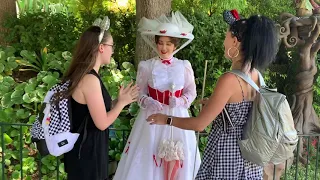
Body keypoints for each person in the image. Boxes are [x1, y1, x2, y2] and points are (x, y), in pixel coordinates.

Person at [147, 9, 279, 180]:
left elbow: (199, 124)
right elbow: (244, 111)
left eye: (226, 36)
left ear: (235, 41)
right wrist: (217, 106)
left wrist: (165, 119)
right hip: (250, 160)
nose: (224, 42)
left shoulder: (229, 79)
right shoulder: (257, 76)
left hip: (227, 157)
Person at [113, 11, 201, 180]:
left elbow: (191, 91)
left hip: (177, 117)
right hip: (152, 118)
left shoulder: (184, 66)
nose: (164, 48)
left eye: (168, 43)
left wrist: (181, 100)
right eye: (160, 43)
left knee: (178, 157)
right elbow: (139, 93)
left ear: (175, 45)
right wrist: (148, 101)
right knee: (150, 156)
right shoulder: (146, 66)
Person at [62, 16, 139, 180]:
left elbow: (90, 112)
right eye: (112, 46)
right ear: (102, 47)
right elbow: (102, 123)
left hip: (85, 154)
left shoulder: (87, 75)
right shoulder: (89, 79)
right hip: (87, 157)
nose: (113, 50)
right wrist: (122, 104)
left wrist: (118, 101)